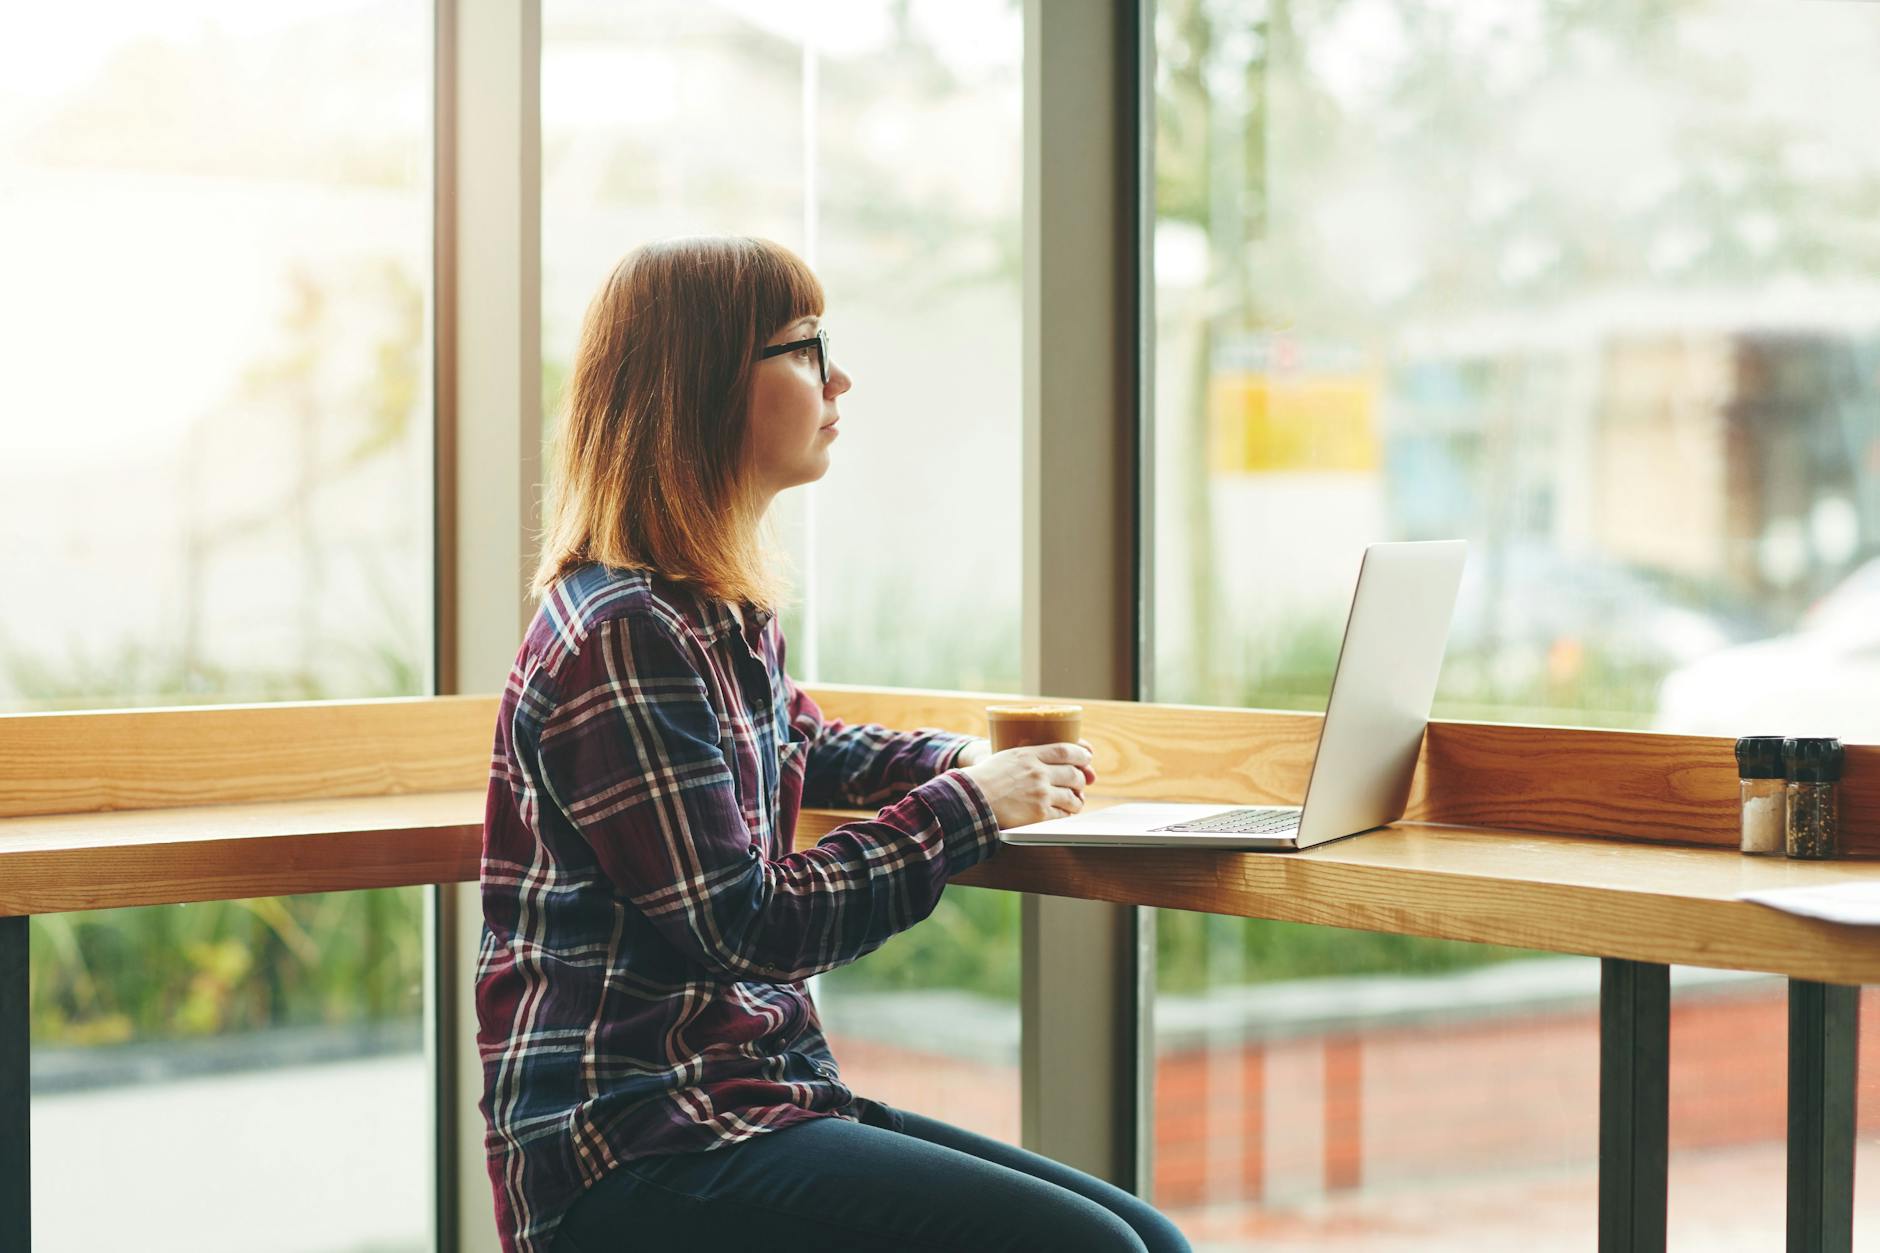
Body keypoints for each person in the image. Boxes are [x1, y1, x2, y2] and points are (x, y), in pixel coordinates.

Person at [477, 235, 1190, 1253]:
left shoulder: (707, 611)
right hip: (631, 1143)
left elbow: (812, 745)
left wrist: (956, 761)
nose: (838, 376)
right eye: (806, 347)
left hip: (745, 1095)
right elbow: (746, 924)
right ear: (703, 388)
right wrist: (971, 805)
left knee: (1144, 1237)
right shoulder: (623, 632)